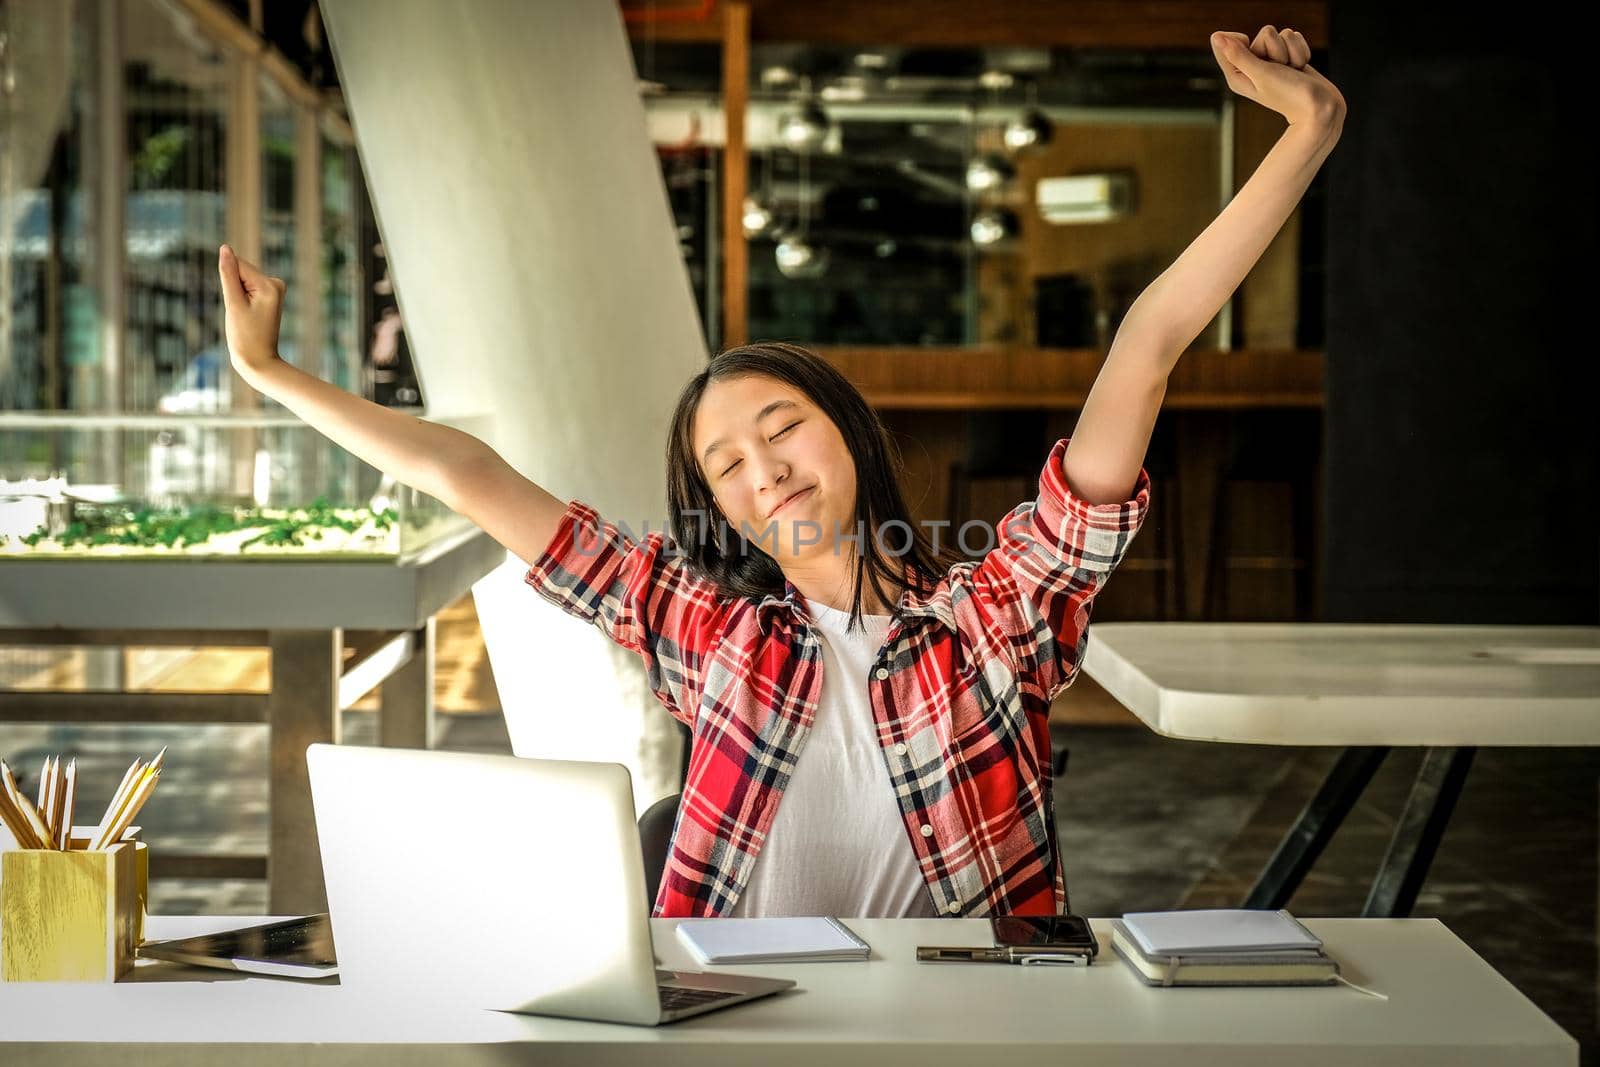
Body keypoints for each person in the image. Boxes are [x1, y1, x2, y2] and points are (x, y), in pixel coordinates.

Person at [217, 26, 1344, 920]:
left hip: (964, 1028)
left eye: (782, 427)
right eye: (726, 463)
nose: (766, 467)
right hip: (734, 1014)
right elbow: (470, 473)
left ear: (849, 435)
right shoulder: (702, 624)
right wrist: (273, 376)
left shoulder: (997, 613)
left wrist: (1301, 134)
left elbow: (1145, 346)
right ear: (719, 509)